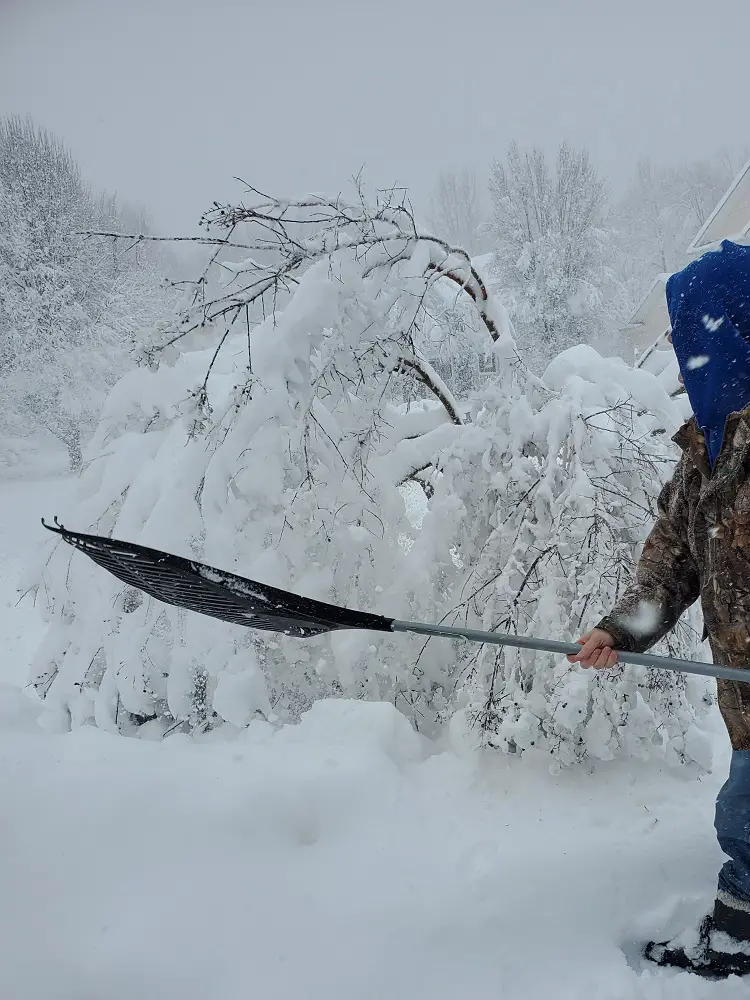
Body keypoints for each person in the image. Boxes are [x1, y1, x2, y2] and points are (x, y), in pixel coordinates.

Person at [569, 239, 750, 979]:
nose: (683, 355)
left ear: (729, 327)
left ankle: (738, 936)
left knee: (743, 820)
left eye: (692, 333)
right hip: (744, 699)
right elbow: (672, 559)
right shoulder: (705, 448)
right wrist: (621, 629)